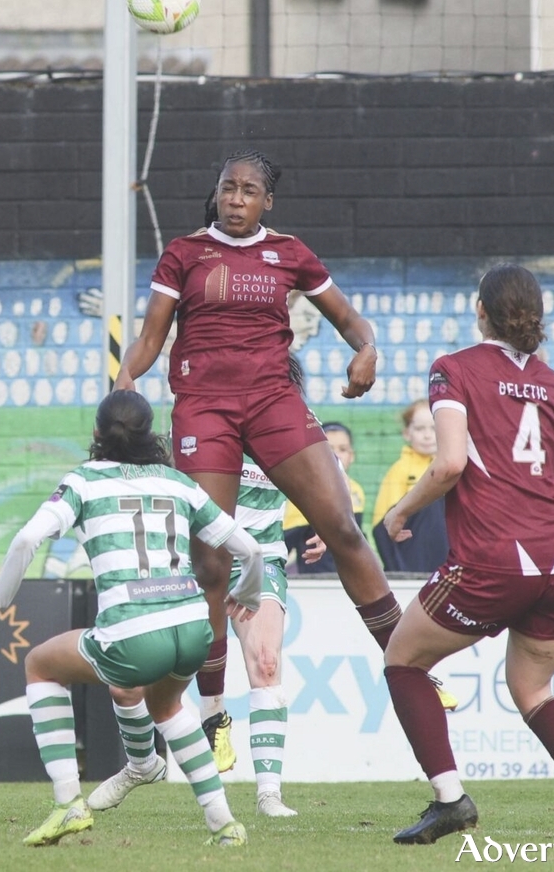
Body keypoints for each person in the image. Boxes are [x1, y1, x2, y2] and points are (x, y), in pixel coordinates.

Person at [113, 149, 402, 744]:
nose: (236, 199)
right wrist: (123, 383)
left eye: (248, 191)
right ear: (216, 194)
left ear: (267, 201)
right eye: (228, 189)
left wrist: (366, 350)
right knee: (210, 562)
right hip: (203, 408)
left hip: (272, 402)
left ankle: (406, 659)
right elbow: (150, 337)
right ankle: (215, 709)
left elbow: (351, 320)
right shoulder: (184, 254)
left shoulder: (290, 253)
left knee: (343, 527)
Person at [382, 264, 554, 847]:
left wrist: (400, 513)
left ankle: (450, 801)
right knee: (535, 691)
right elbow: (552, 468)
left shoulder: (454, 369)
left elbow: (448, 464)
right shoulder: (550, 383)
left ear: (480, 310)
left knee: (403, 660)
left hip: (497, 551)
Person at [0, 390, 264, 848]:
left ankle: (68, 803)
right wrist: (246, 593)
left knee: (41, 665)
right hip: (192, 628)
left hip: (133, 632)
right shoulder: (176, 481)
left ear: (95, 433)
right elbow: (249, 548)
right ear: (152, 434)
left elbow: (28, 539)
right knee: (168, 708)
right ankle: (225, 824)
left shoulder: (85, 481)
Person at [87, 455, 325, 819]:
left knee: (266, 661)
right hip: (194, 562)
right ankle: (143, 762)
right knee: (131, 683)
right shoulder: (199, 420)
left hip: (257, 560)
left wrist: (326, 525)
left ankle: (269, 796)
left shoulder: (288, 421)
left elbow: (326, 472)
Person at [372, 399, 449, 574]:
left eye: (434, 428)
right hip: (413, 562)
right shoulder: (400, 470)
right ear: (407, 433)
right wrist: (396, 569)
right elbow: (381, 524)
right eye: (420, 429)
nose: (428, 435)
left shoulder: (451, 467)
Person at [284, 421, 365, 576]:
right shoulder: (303, 491)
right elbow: (287, 539)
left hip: (348, 574)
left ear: (352, 455)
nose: (337, 455)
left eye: (343, 449)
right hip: (314, 577)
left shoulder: (357, 491)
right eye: (329, 450)